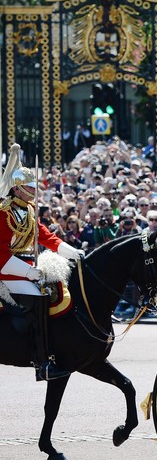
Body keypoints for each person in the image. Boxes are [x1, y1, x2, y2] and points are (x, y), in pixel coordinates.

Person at [0, 162, 84, 381]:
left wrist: (72, 252)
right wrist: (28, 272)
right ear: (16, 188)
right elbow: (1, 255)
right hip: (8, 270)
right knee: (39, 299)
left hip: (26, 267)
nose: (34, 191)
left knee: (58, 290)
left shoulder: (28, 211)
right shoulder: (3, 213)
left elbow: (46, 237)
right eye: (29, 187)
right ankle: (42, 363)